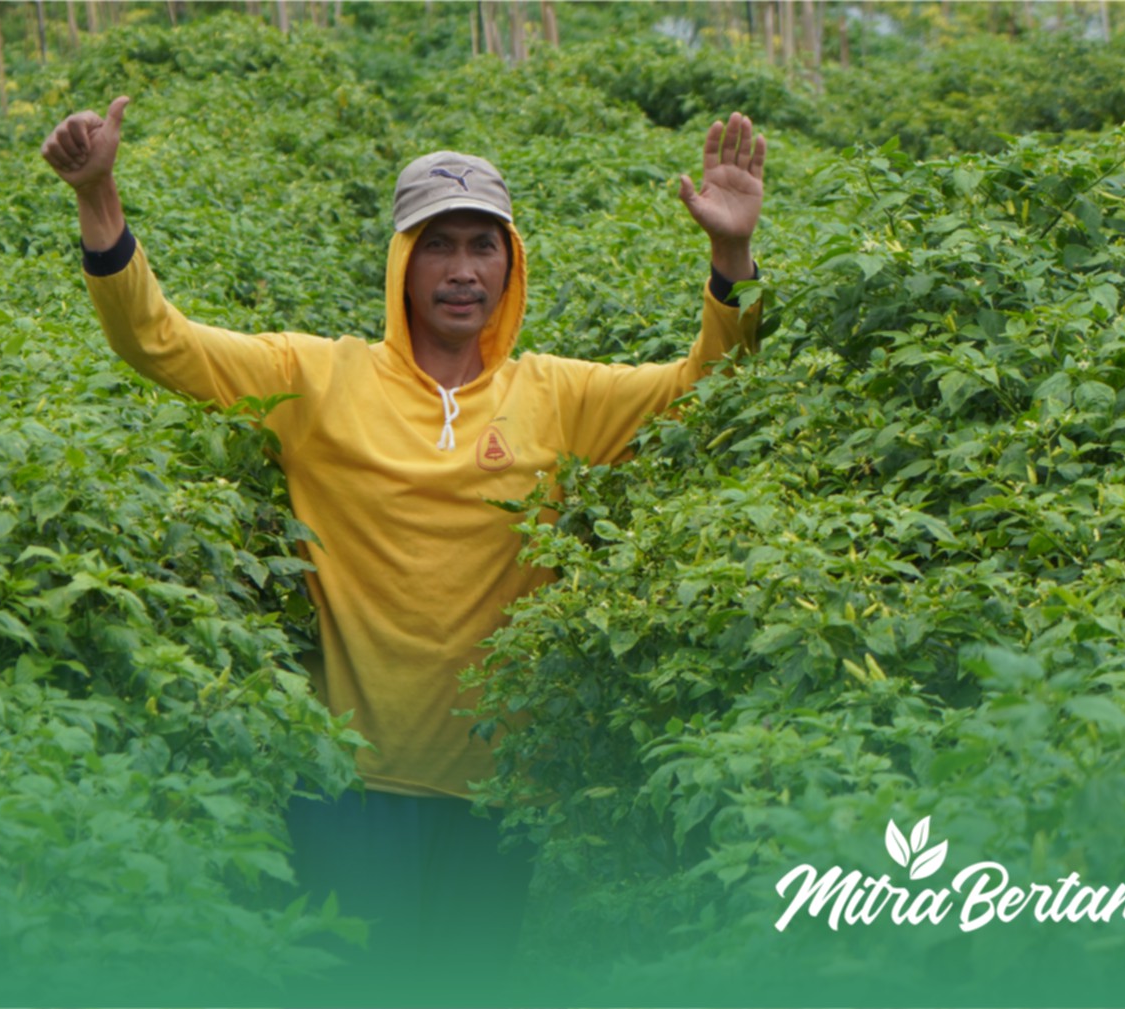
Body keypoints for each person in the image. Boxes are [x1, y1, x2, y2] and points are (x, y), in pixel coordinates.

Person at [40, 95, 765, 995]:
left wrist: (731, 255)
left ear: (512, 263)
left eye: (482, 244)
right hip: (348, 792)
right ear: (401, 262)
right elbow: (159, 342)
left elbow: (711, 384)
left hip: (500, 792)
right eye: (438, 244)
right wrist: (98, 199)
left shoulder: (561, 395)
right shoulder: (316, 378)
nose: (462, 270)